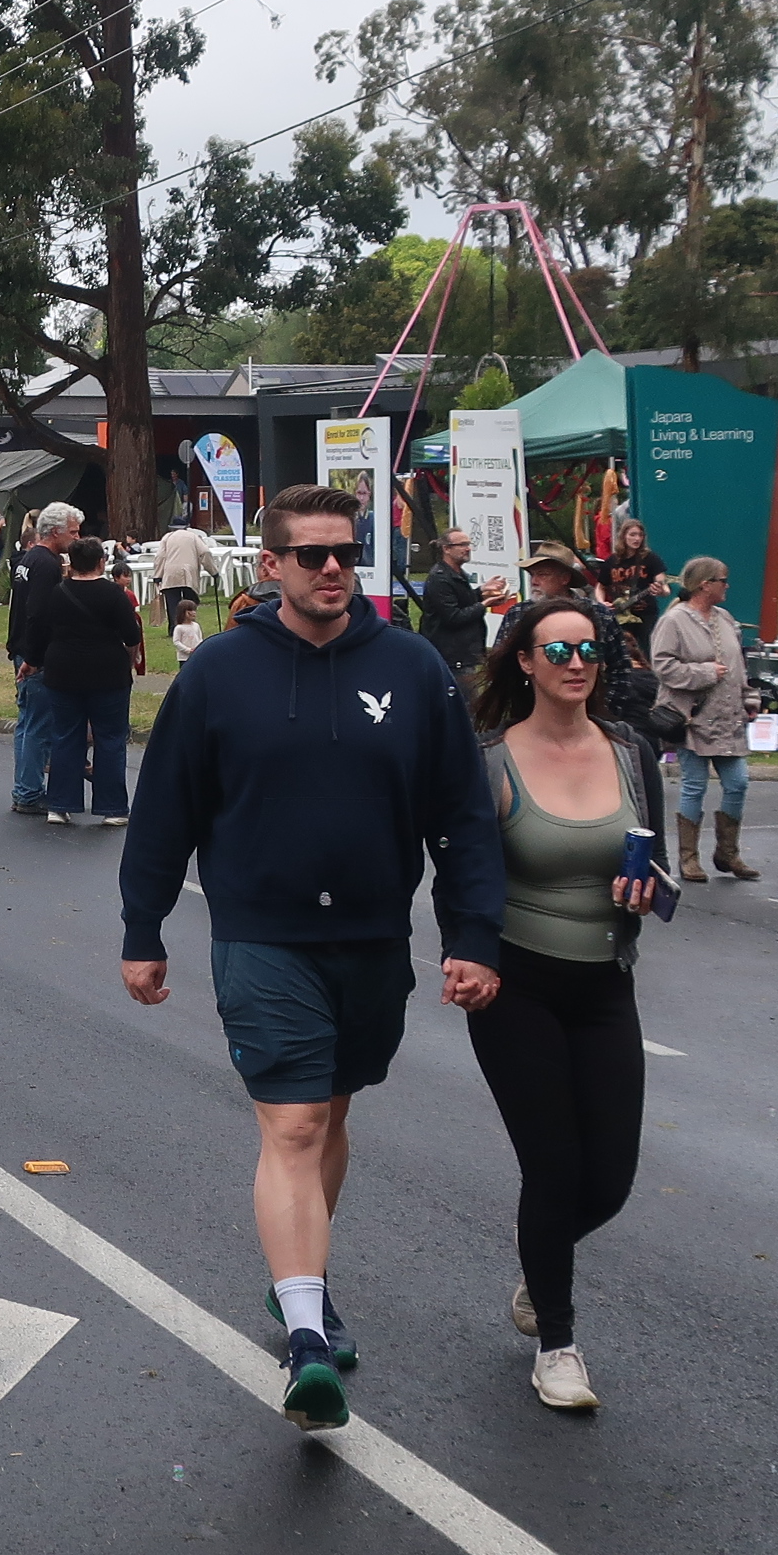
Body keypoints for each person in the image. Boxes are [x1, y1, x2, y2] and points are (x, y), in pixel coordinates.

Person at [117, 482, 504, 1435]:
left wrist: (472, 935)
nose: (333, 569)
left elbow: (460, 814)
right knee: (291, 1124)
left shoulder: (412, 668)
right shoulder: (220, 672)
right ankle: (305, 1340)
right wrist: (143, 928)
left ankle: (303, 1281)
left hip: (373, 938)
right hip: (261, 935)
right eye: (312, 555)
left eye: (346, 553)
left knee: (329, 1116)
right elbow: (165, 808)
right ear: (272, 565)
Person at [466, 596, 673, 1413]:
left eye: (588, 650)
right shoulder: (491, 761)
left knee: (610, 1179)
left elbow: (661, 869)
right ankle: (557, 1343)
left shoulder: (630, 753)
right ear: (525, 662)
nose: (577, 664)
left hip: (605, 983)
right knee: (553, 1167)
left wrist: (647, 891)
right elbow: (465, 876)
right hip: (516, 987)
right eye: (557, 651)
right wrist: (467, 955)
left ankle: (539, 1256)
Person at [648, 557, 759, 881]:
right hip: (691, 719)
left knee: (738, 783)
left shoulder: (725, 618)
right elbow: (663, 667)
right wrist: (705, 672)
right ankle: (689, 858)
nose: (727, 586)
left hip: (727, 719)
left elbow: (738, 666)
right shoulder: (674, 621)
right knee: (694, 786)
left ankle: (728, 853)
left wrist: (750, 698)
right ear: (704, 585)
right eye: (722, 580)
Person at [32, 536, 145, 826]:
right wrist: (128, 661)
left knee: (65, 736)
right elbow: (132, 635)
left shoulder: (57, 593)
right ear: (101, 562)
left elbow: (41, 631)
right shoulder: (113, 594)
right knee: (110, 738)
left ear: (71, 563)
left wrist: (32, 661)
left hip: (63, 671)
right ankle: (112, 808)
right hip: (107, 672)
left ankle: (60, 804)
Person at [6, 501, 85, 813]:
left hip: (22, 648)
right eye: (73, 532)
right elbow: (37, 614)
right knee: (39, 726)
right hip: (36, 655)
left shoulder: (28, 559)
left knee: (27, 724)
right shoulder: (48, 565)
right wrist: (35, 657)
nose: (77, 538)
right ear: (55, 532)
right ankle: (28, 792)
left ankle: (23, 788)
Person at [419, 529, 489, 673]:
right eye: (462, 545)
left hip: (461, 654)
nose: (468, 549)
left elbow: (463, 601)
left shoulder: (457, 573)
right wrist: (485, 605)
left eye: (468, 544)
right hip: (451, 657)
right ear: (447, 549)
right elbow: (453, 617)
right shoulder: (439, 579)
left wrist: (482, 591)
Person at [154, 517, 219, 645]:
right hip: (189, 572)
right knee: (190, 601)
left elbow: (160, 556)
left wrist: (158, 575)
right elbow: (205, 552)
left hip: (171, 572)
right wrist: (213, 571)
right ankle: (190, 625)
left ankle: (174, 628)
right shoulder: (193, 537)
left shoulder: (167, 537)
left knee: (172, 602)